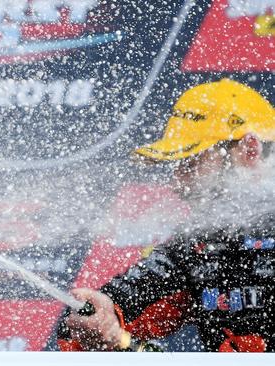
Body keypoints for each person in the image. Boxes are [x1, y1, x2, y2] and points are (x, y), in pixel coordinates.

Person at [62, 79, 275, 352]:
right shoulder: (197, 244)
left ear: (249, 150)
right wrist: (101, 319)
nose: (178, 181)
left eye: (192, 161)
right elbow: (82, 330)